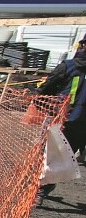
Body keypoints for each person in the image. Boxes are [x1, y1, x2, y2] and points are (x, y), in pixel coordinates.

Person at [36, 37, 86, 201]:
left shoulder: (69, 67)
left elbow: (44, 89)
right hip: (64, 121)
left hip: (74, 123)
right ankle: (40, 187)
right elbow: (46, 89)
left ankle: (41, 187)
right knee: (49, 154)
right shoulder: (68, 67)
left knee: (57, 157)